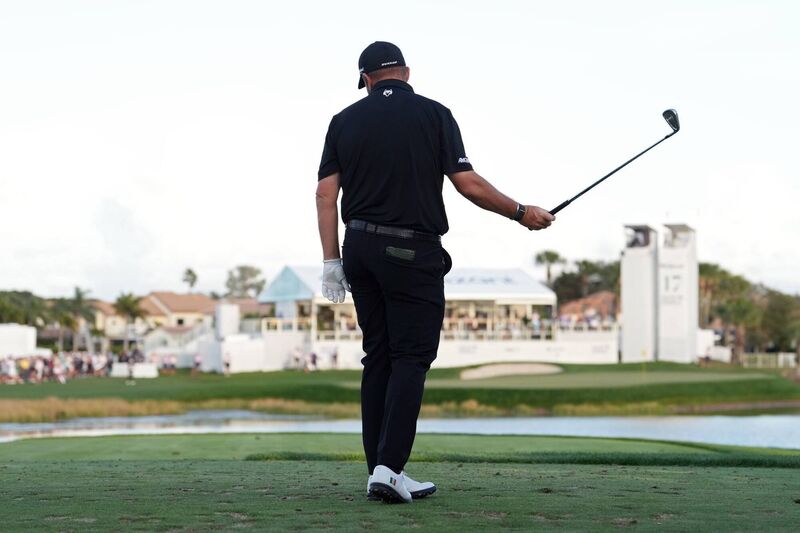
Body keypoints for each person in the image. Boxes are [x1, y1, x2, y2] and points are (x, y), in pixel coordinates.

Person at [315, 41, 555, 504]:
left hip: (358, 246)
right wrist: (521, 212)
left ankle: (382, 469)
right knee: (410, 357)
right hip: (411, 251)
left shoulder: (343, 120)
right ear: (406, 72)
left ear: (365, 79)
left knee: (378, 357)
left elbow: (326, 195)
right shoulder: (434, 114)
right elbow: (469, 184)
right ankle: (389, 470)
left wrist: (331, 261)